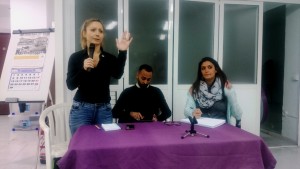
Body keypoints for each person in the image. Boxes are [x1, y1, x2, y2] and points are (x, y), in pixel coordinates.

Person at [66, 18, 133, 135]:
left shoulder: (109, 58)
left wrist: (122, 52)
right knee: (81, 145)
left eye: (101, 31)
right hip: (81, 109)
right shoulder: (75, 57)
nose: (97, 33)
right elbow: (70, 85)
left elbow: (117, 74)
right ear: (84, 33)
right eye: (93, 30)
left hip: (104, 109)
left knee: (105, 145)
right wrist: (83, 69)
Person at [184, 57, 242, 128]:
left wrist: (230, 93)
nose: (206, 70)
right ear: (201, 72)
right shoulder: (195, 89)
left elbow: (236, 112)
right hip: (202, 128)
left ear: (216, 70)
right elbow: (187, 110)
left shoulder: (226, 87)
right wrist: (192, 113)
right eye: (203, 68)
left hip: (222, 129)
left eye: (210, 67)